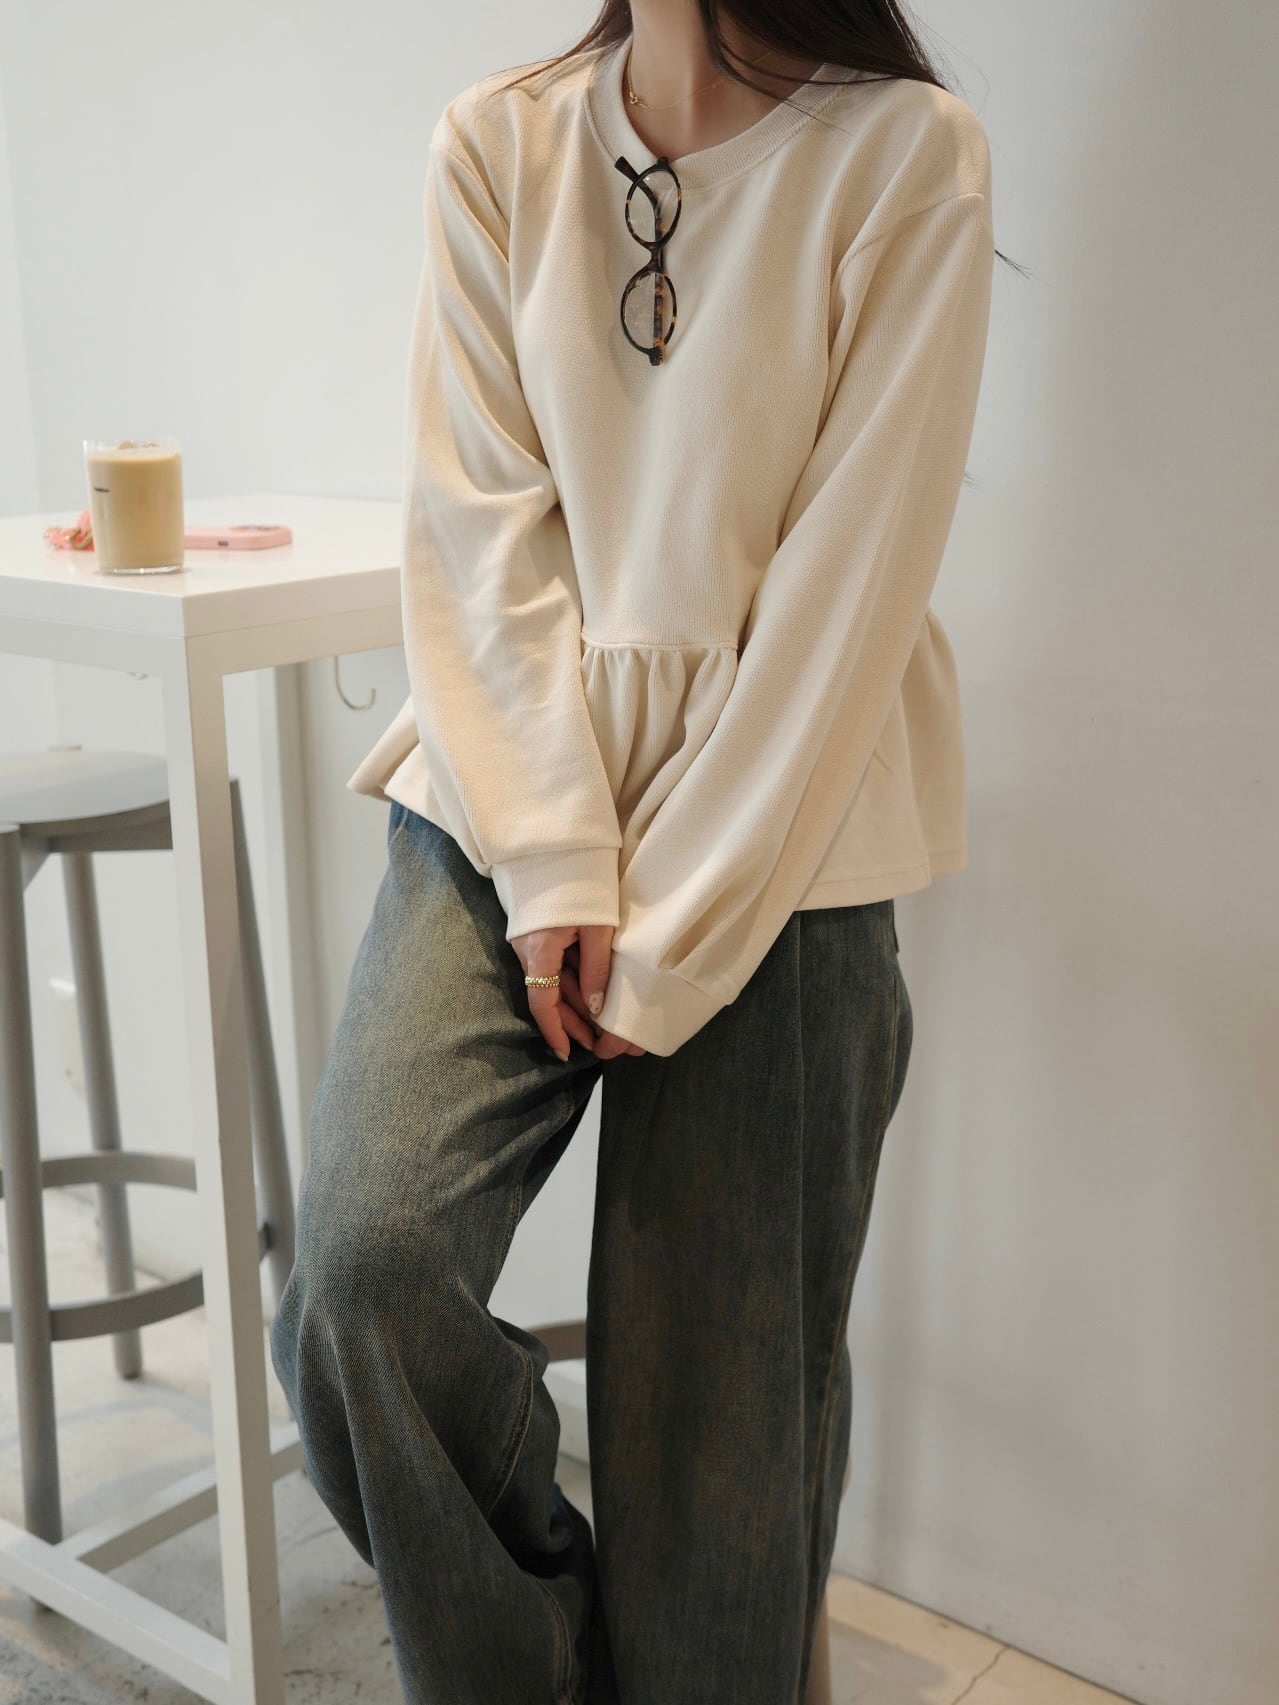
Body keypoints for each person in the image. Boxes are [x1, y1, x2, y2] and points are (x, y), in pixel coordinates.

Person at [270, 3, 997, 1701]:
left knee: (720, 1451)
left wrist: (671, 939)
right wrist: (556, 868)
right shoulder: (499, 140)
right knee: (365, 1280)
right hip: (506, 793)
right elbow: (477, 535)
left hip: (785, 834)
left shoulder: (906, 157)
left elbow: (843, 604)